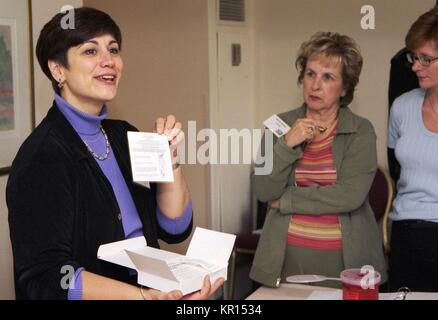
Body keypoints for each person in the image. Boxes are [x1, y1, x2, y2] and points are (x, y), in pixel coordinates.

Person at [6, 7, 223, 300]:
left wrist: (171, 160)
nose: (109, 61)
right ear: (58, 69)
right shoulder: (42, 158)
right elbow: (48, 277)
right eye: (90, 51)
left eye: (113, 49)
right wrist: (143, 298)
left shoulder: (124, 136)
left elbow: (174, 227)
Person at [249, 32, 387, 288]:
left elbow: (349, 196)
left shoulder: (361, 130)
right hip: (285, 258)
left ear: (345, 87)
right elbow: (264, 189)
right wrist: (287, 143)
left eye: (328, 77)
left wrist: (287, 200)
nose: (315, 85)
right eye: (310, 74)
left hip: (346, 262)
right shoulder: (278, 126)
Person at [388, 7, 438, 292]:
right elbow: (395, 164)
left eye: (426, 59)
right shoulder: (402, 106)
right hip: (407, 235)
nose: (416, 66)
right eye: (414, 57)